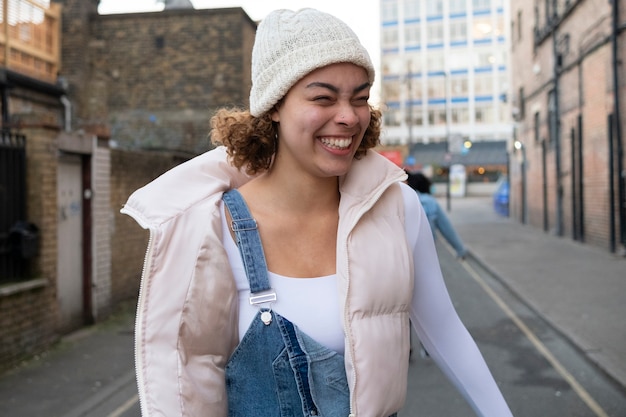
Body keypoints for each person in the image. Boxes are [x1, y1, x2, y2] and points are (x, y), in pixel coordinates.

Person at [121, 8, 513, 417]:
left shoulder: (398, 207)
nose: (348, 116)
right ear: (274, 105)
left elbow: (444, 331)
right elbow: (189, 385)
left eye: (359, 98)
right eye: (323, 98)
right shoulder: (209, 227)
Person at [406, 171, 468, 259]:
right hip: (426, 254)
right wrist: (460, 249)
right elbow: (446, 228)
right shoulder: (429, 202)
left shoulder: (402, 200)